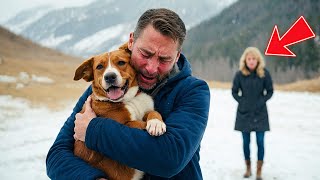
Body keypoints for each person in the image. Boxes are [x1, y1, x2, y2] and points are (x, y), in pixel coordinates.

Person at [46, 8, 210, 180]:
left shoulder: (193, 91)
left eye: (164, 59)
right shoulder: (106, 88)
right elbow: (56, 156)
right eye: (145, 54)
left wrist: (93, 130)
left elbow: (170, 158)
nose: (151, 68)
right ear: (131, 42)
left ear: (177, 56)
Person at [231, 47, 273, 180]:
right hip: (244, 113)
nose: (251, 61)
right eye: (249, 59)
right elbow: (234, 91)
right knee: (246, 142)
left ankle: (259, 170)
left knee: (260, 142)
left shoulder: (264, 73)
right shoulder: (239, 74)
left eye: (254, 59)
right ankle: (248, 168)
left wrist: (262, 101)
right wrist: (242, 101)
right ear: (245, 60)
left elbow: (270, 91)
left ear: (258, 60)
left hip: (260, 113)